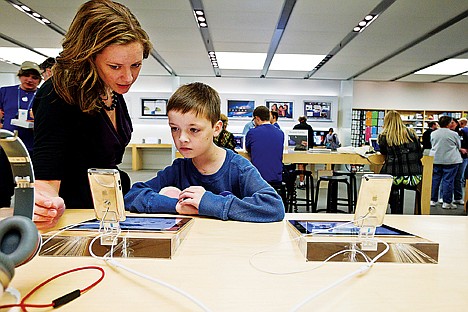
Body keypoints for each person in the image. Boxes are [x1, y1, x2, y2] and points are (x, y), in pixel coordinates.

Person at [31, 0, 152, 229]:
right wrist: (45, 205)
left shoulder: (111, 90)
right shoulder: (57, 95)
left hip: (105, 210)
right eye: (115, 66)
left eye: (136, 65)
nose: (128, 77)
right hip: (73, 218)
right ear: (88, 57)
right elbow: (46, 179)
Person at [124, 82, 284, 223]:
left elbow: (273, 206)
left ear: (216, 128)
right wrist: (178, 205)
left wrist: (207, 203)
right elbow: (132, 195)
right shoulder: (179, 168)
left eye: (194, 130)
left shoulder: (238, 168)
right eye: (175, 128)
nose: (182, 138)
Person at [0, 61, 41, 208]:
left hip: (33, 148)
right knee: (3, 183)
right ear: (19, 76)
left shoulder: (42, 95)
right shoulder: (5, 92)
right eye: (26, 76)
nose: (29, 80)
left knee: (31, 184)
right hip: (7, 146)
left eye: (34, 77)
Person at [377, 111, 423, 214]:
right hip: (413, 177)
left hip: (393, 177)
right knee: (397, 185)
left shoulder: (384, 136)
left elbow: (383, 152)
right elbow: (420, 154)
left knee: (384, 183)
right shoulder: (412, 133)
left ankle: (393, 208)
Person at [430, 115, 462, 209]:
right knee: (448, 181)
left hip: (436, 159)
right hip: (451, 160)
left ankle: (433, 200)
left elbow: (433, 144)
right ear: (449, 124)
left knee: (435, 180)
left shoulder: (434, 133)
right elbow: (458, 146)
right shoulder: (454, 134)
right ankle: (447, 202)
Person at [246, 106, 284, 183]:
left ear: (257, 118)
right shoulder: (280, 133)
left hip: (257, 177)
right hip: (276, 177)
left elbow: (248, 149)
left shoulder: (252, 133)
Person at [293, 116, 314, 189]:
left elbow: (293, 138)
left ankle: (301, 183)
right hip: (307, 149)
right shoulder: (309, 127)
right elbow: (312, 140)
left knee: (300, 165)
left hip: (299, 148)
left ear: (299, 120)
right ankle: (303, 181)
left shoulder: (296, 127)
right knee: (304, 165)